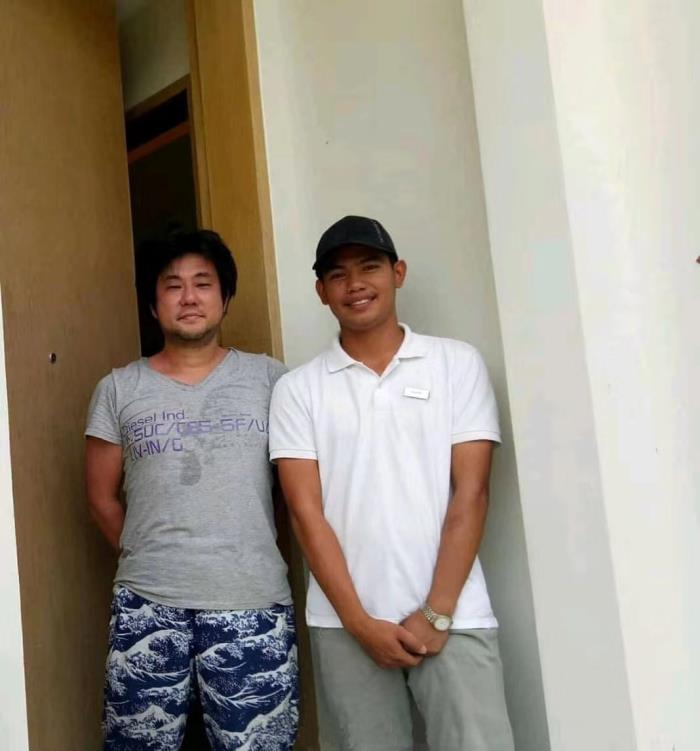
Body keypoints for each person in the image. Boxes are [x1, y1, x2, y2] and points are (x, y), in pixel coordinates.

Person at [269, 216, 514, 750]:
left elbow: (471, 495)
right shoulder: (297, 390)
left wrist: (436, 612)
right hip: (345, 626)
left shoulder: (456, 364)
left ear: (398, 273)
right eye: (338, 274)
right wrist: (359, 623)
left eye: (369, 267)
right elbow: (305, 514)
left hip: (455, 614)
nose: (355, 284)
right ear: (321, 291)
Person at [85, 230, 298, 751]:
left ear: (225, 298)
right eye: (172, 285)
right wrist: (148, 555)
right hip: (147, 603)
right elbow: (102, 498)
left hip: (251, 598)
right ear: (152, 304)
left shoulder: (272, 380)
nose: (189, 297)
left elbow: (294, 490)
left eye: (203, 284)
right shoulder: (118, 388)